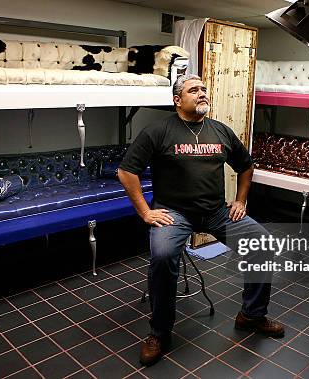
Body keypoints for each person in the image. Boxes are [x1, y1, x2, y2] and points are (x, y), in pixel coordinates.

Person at [118, 74, 284, 367]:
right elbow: (126, 171)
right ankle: (160, 333)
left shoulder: (220, 131)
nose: (202, 93)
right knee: (164, 254)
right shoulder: (158, 131)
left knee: (263, 243)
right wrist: (145, 211)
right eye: (193, 90)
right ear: (177, 100)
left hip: (217, 211)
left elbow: (246, 166)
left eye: (204, 89)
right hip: (174, 213)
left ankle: (252, 314)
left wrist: (241, 201)